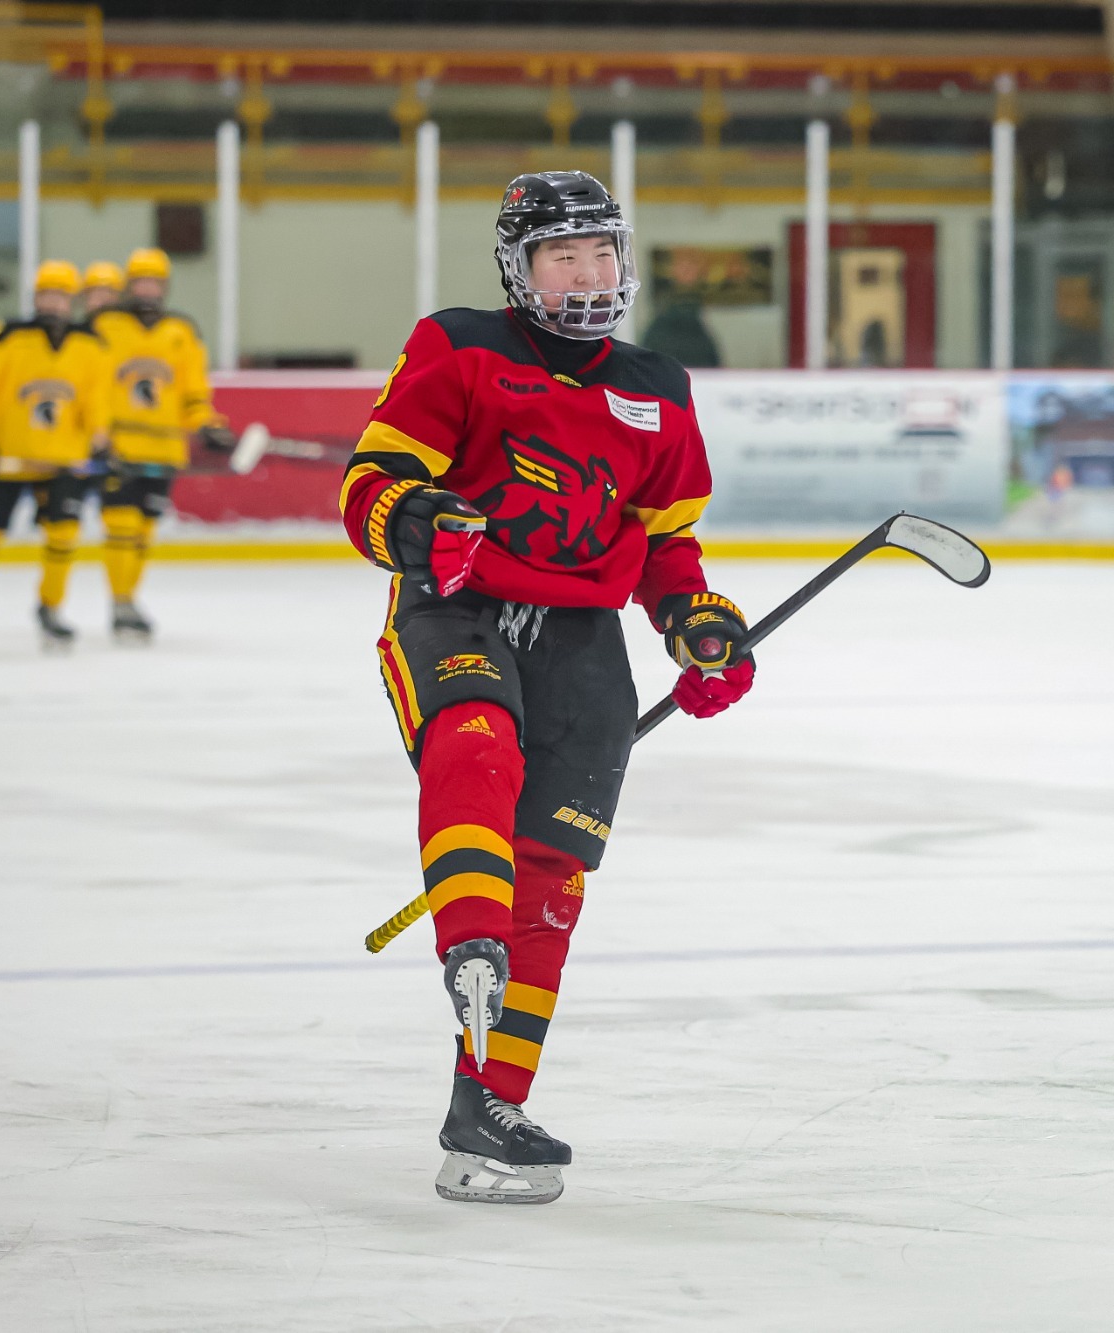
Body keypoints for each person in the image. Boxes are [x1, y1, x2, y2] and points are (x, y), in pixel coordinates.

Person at [340, 171, 757, 1206]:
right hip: (456, 609)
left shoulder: (658, 385)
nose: (587, 274)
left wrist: (695, 623)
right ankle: (468, 937)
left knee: (555, 886)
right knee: (474, 743)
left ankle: (487, 1107)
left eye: (601, 252)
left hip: (582, 642)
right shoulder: (459, 346)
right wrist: (419, 519)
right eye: (561, 255)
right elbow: (368, 489)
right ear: (517, 268)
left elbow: (664, 543)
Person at [0, 260, 111, 649]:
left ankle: (50, 609)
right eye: (45, 295)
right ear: (35, 297)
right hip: (6, 455)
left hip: (61, 456)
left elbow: (97, 397)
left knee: (64, 533)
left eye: (59, 296)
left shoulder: (89, 344)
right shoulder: (8, 335)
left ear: (71, 301)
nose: (52, 303)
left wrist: (99, 437)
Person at [89, 247, 234, 644]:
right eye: (140, 282)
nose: (147, 290)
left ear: (165, 287)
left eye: (154, 282)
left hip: (165, 449)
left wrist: (207, 425)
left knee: (143, 530)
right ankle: (119, 603)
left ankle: (128, 599)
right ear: (128, 285)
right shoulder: (105, 325)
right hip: (119, 446)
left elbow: (192, 392)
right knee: (120, 525)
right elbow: (90, 384)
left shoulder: (181, 331)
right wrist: (96, 433)